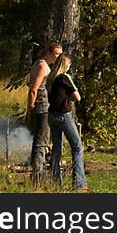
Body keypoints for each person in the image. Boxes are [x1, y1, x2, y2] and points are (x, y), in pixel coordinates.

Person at [46, 53, 89, 191]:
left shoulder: (51, 78)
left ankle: (55, 181)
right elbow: (78, 97)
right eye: (69, 65)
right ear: (65, 65)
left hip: (51, 115)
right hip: (64, 115)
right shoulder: (65, 77)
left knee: (56, 149)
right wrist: (67, 98)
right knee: (76, 147)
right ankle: (79, 183)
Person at [26, 42, 62, 181]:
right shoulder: (42, 66)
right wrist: (30, 108)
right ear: (48, 52)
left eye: (60, 54)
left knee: (42, 140)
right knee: (41, 140)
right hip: (42, 107)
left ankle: (40, 169)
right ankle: (37, 174)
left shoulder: (45, 66)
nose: (58, 57)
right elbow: (34, 89)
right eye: (56, 54)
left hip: (44, 106)